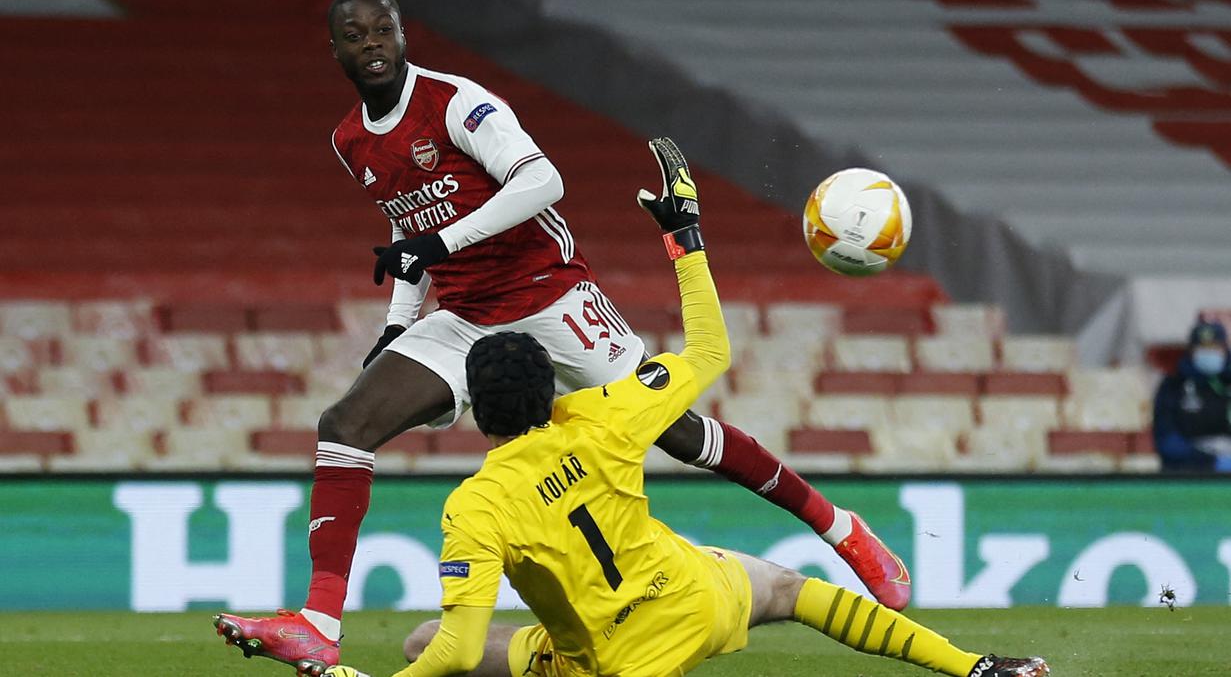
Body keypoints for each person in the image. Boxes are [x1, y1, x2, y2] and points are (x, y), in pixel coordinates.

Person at [214, 0, 908, 675]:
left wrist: (440, 245)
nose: (372, 43)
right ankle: (317, 622)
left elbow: (541, 181)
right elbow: (406, 219)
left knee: (676, 430)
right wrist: (398, 324)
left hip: (551, 296)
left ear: (402, 36)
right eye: (356, 34)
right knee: (344, 425)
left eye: (383, 30)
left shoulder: (456, 103)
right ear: (334, 47)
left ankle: (839, 528)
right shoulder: (349, 141)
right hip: (463, 317)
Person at [322, 141, 1050, 677]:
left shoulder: (473, 507)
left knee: (427, 643)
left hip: (606, 662)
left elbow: (451, 647)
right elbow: (707, 351)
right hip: (691, 599)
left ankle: (838, 527)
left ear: (473, 410)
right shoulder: (609, 414)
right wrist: (683, 236)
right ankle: (977, 669)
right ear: (555, 388)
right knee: (790, 590)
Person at [1153, 319, 1231, 472]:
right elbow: (1166, 439)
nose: (1210, 353)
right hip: (1189, 474)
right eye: (1203, 348)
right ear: (1192, 351)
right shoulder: (1173, 385)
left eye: (1215, 347)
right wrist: (1208, 461)